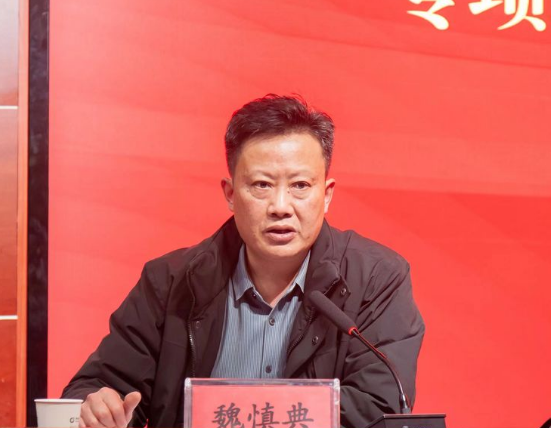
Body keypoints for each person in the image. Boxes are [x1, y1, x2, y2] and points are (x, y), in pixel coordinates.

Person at [63, 94, 425, 428]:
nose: (281, 207)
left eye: (300, 186)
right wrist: (98, 408)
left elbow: (379, 407)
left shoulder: (376, 279)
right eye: (262, 185)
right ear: (230, 193)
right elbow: (94, 389)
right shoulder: (171, 282)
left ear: (326, 194)